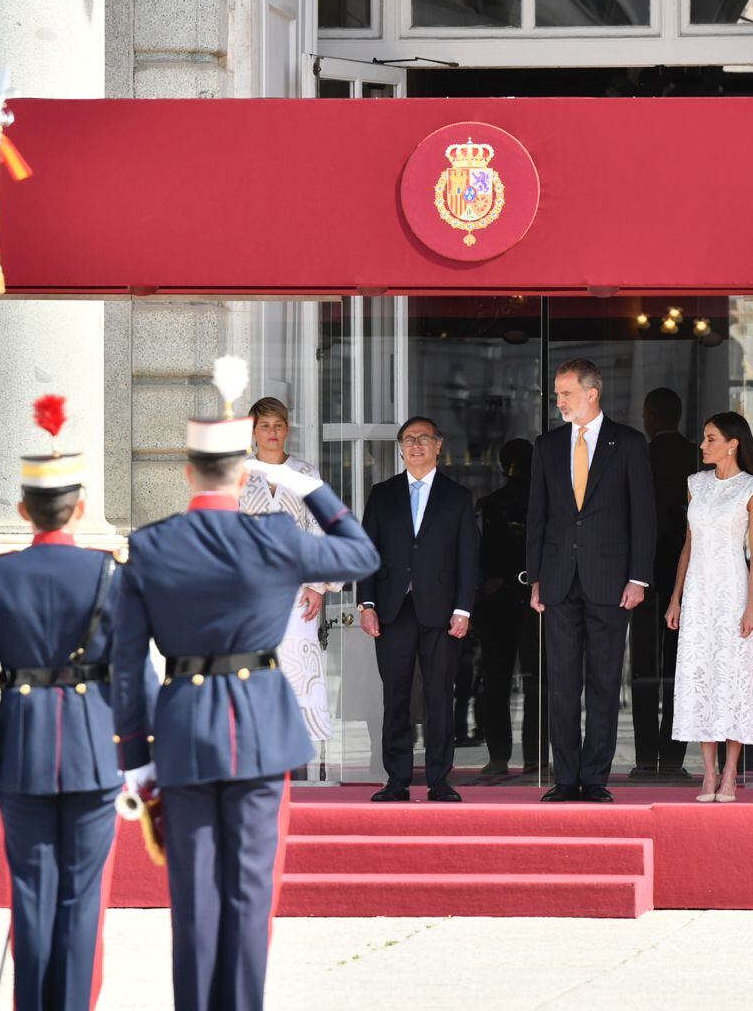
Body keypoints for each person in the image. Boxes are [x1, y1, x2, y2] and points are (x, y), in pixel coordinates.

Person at [110, 358, 378, 1011]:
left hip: (183, 730)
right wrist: (305, 487)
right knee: (249, 895)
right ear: (246, 471)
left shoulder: (151, 546)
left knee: (193, 898)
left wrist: (136, 764)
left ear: (187, 472)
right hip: (259, 724)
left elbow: (126, 666)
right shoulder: (278, 536)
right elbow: (361, 553)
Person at [0, 397, 125, 1010]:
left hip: (24, 747)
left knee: (31, 895)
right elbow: (131, 673)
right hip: (91, 748)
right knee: (83, 900)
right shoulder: (110, 574)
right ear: (81, 508)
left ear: (21, 510)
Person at [527, 358, 656, 803]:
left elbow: (644, 515)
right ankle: (565, 779)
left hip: (611, 580)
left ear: (591, 394)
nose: (559, 400)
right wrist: (536, 579)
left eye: (566, 393)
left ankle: (595, 779)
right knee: (562, 683)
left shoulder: (630, 443)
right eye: (558, 393)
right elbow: (537, 517)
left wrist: (638, 577)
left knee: (603, 683)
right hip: (559, 579)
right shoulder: (546, 445)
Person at [358, 416, 481, 803]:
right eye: (408, 440)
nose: (415, 445)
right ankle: (396, 780)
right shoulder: (382, 494)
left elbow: (468, 559)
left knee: (440, 695)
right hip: (393, 610)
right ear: (400, 448)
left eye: (423, 438)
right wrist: (367, 604)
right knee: (395, 694)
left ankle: (439, 779)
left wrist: (463, 609)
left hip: (442, 612)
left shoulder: (458, 496)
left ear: (438, 445)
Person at [665, 412, 753, 803]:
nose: (702, 445)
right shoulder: (695, 484)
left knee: (733, 678)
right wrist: (676, 597)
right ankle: (708, 773)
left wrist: (751, 606)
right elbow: (688, 545)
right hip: (698, 592)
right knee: (701, 676)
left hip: (732, 591)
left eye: (711, 439)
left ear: (733, 444)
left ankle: (731, 772)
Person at [240, 396, 344, 773]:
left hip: (297, 591)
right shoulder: (237, 473)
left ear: (287, 429)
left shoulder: (305, 472)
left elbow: (322, 527)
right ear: (252, 431)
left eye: (279, 425)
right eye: (265, 425)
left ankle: (296, 759)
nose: (272, 432)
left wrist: (318, 585)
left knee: (296, 669)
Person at [630, 387, 698, 779]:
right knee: (678, 668)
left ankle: (643, 758)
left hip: (643, 574)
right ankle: (673, 759)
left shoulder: (641, 455)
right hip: (686, 574)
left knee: (644, 667)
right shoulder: (695, 456)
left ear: (649, 417)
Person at [476, 439, 541, 776]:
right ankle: (534, 757)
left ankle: (501, 755)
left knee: (500, 682)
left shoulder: (492, 504)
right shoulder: (538, 504)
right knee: (533, 683)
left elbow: (481, 556)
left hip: (503, 601)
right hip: (526, 600)